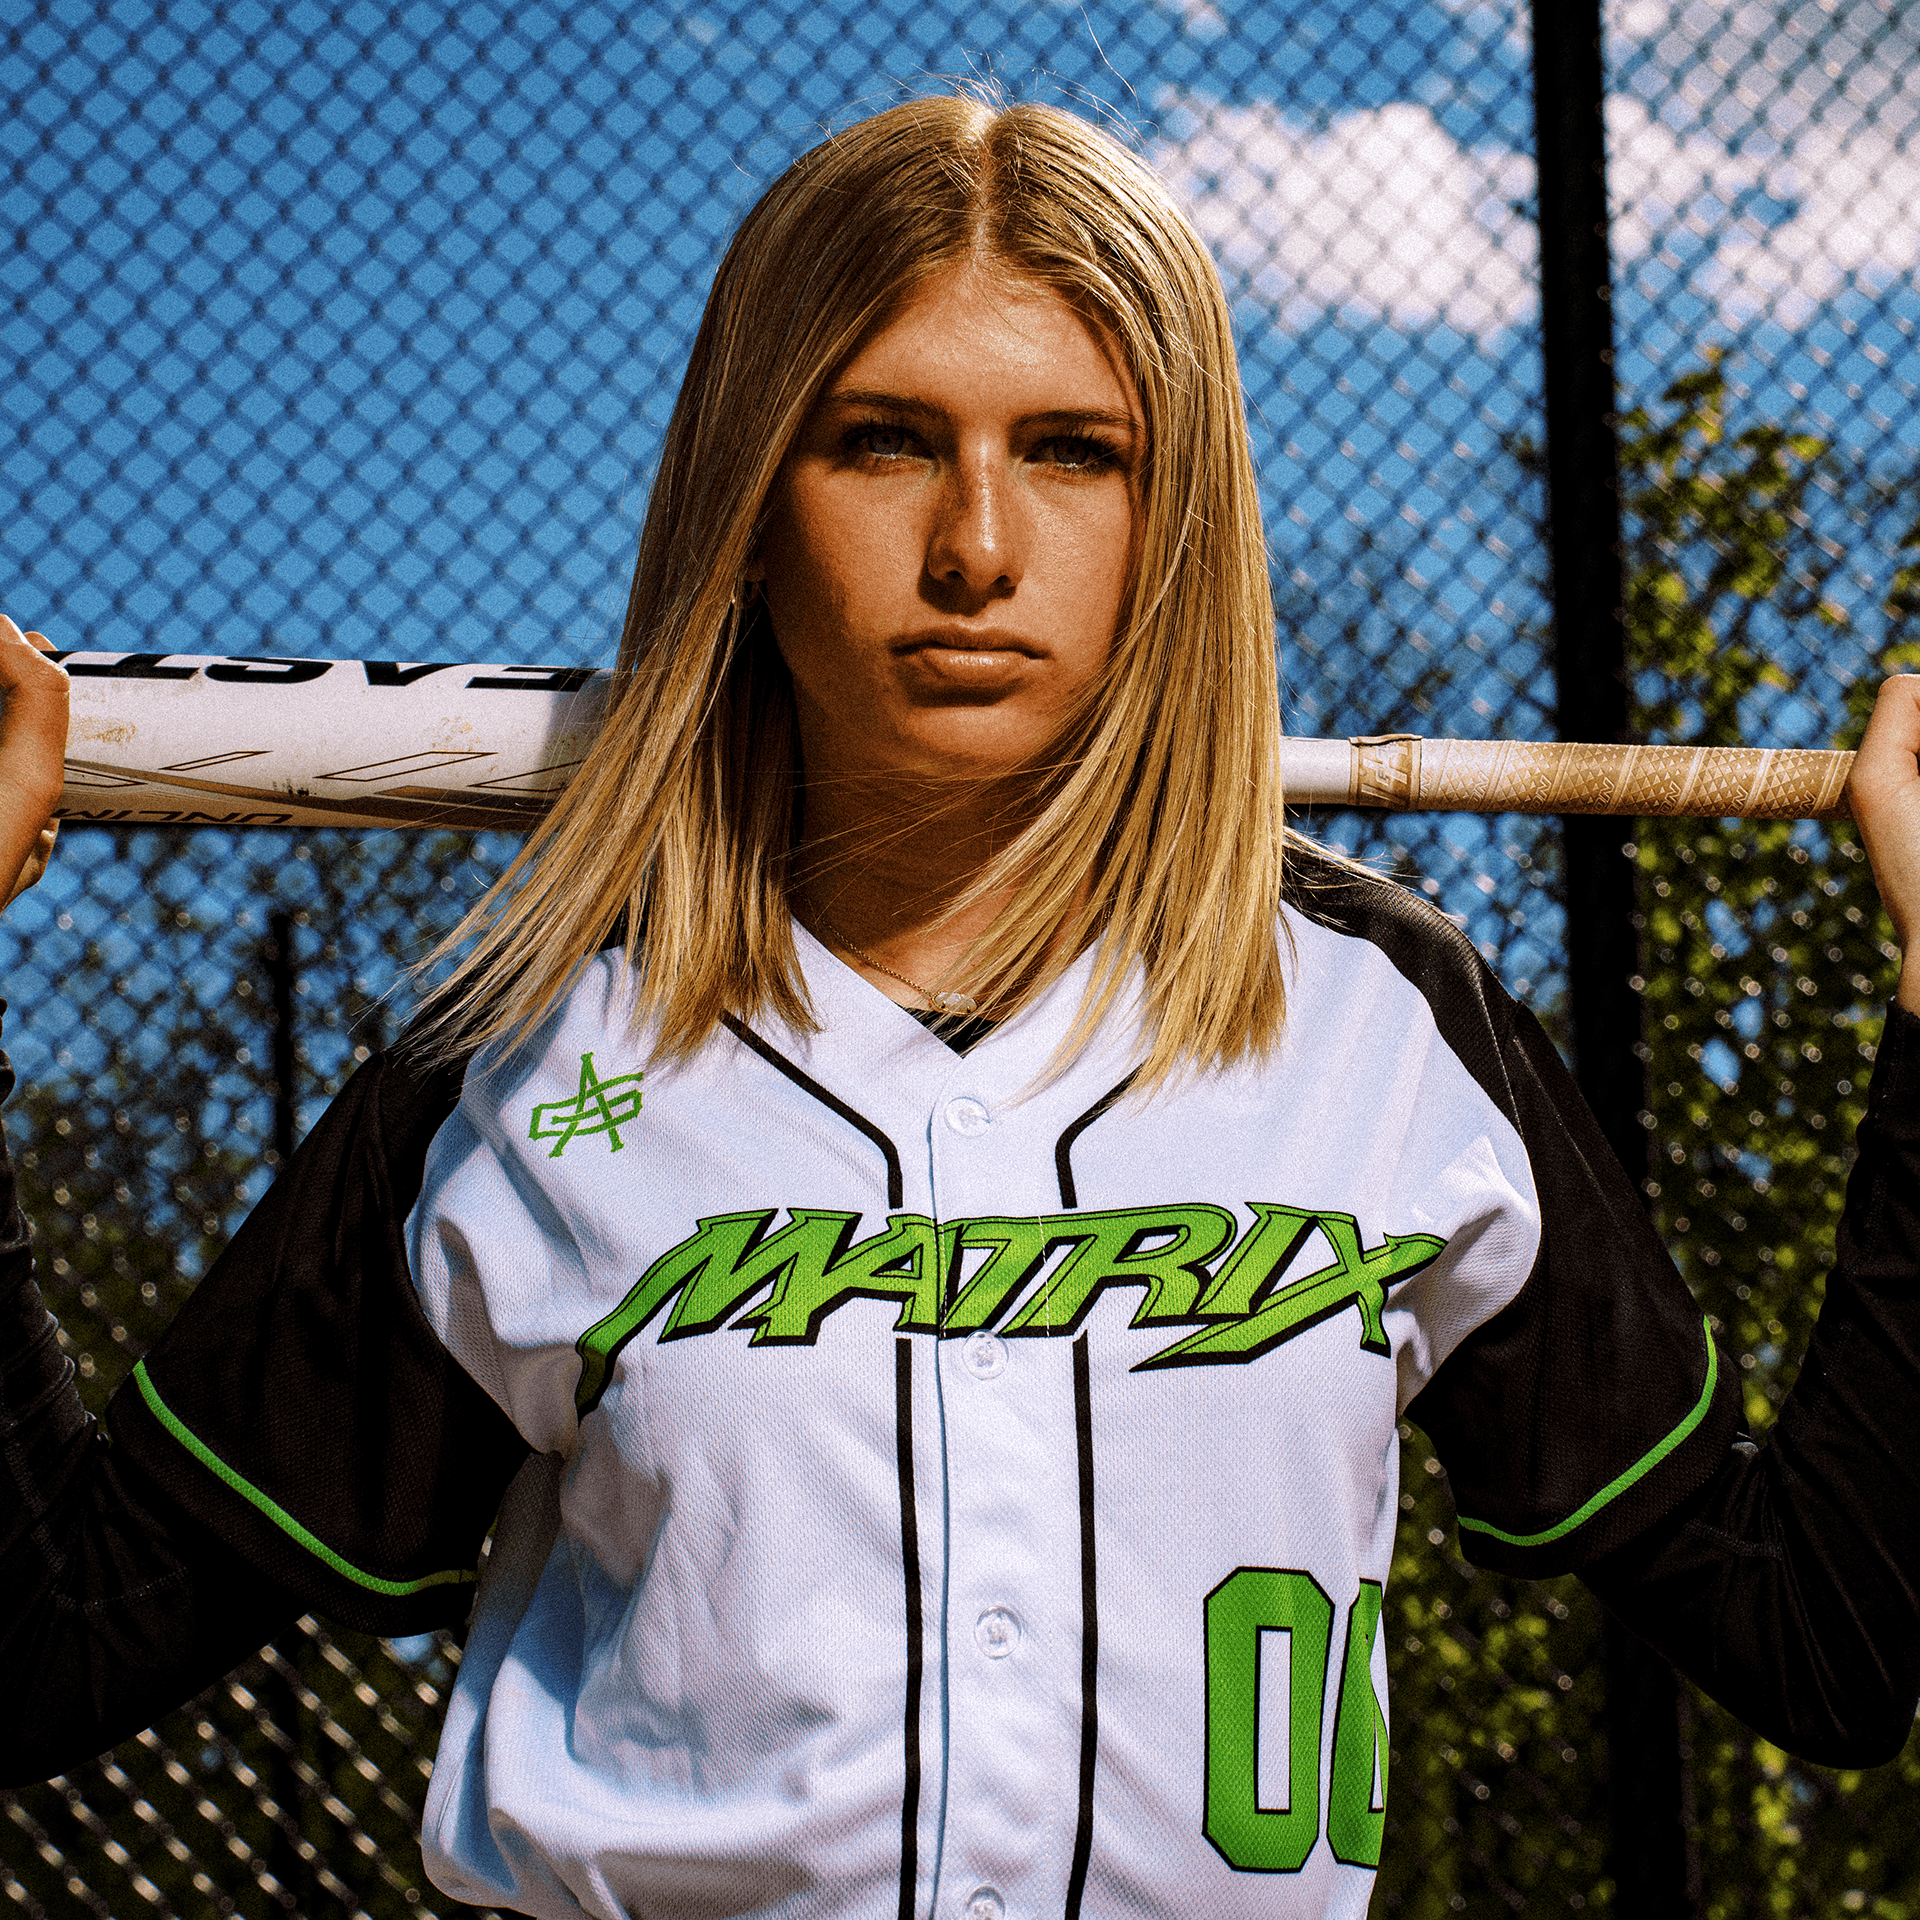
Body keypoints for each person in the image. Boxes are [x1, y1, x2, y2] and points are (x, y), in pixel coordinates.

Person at [3, 92, 1920, 1920]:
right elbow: (43, 1636)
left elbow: (1825, 1633)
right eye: (882, 440)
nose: (978, 548)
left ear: (1174, 525)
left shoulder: (1380, 1030)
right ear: (749, 500)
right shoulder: (526, 1059)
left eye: (1075, 450)